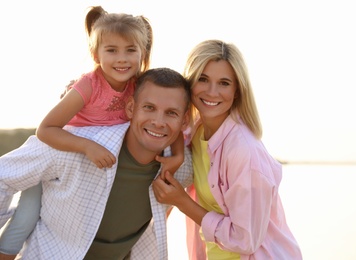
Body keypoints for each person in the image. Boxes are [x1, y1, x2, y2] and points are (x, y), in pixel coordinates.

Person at [0, 6, 184, 260]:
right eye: (112, 50)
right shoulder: (88, 85)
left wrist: (178, 155)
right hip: (57, 154)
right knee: (26, 216)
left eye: (130, 50)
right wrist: (87, 147)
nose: (122, 59)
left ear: (143, 53)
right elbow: (46, 130)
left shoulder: (139, 86)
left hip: (86, 173)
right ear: (95, 53)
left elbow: (177, 121)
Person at [152, 40, 303, 259]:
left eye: (224, 83)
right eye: (203, 79)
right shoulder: (195, 133)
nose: (212, 92)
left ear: (237, 91)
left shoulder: (244, 151)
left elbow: (245, 239)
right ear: (190, 82)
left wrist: (181, 202)